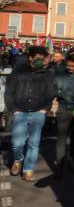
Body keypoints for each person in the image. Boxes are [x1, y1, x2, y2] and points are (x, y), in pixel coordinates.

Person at [4, 46, 57, 182]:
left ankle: (28, 170)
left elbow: (51, 92)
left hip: (38, 113)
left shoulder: (47, 74)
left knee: (34, 143)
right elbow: (9, 92)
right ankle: (18, 160)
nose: (41, 60)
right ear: (31, 58)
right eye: (38, 58)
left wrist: (45, 109)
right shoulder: (18, 72)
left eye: (42, 58)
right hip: (19, 112)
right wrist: (14, 110)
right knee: (17, 142)